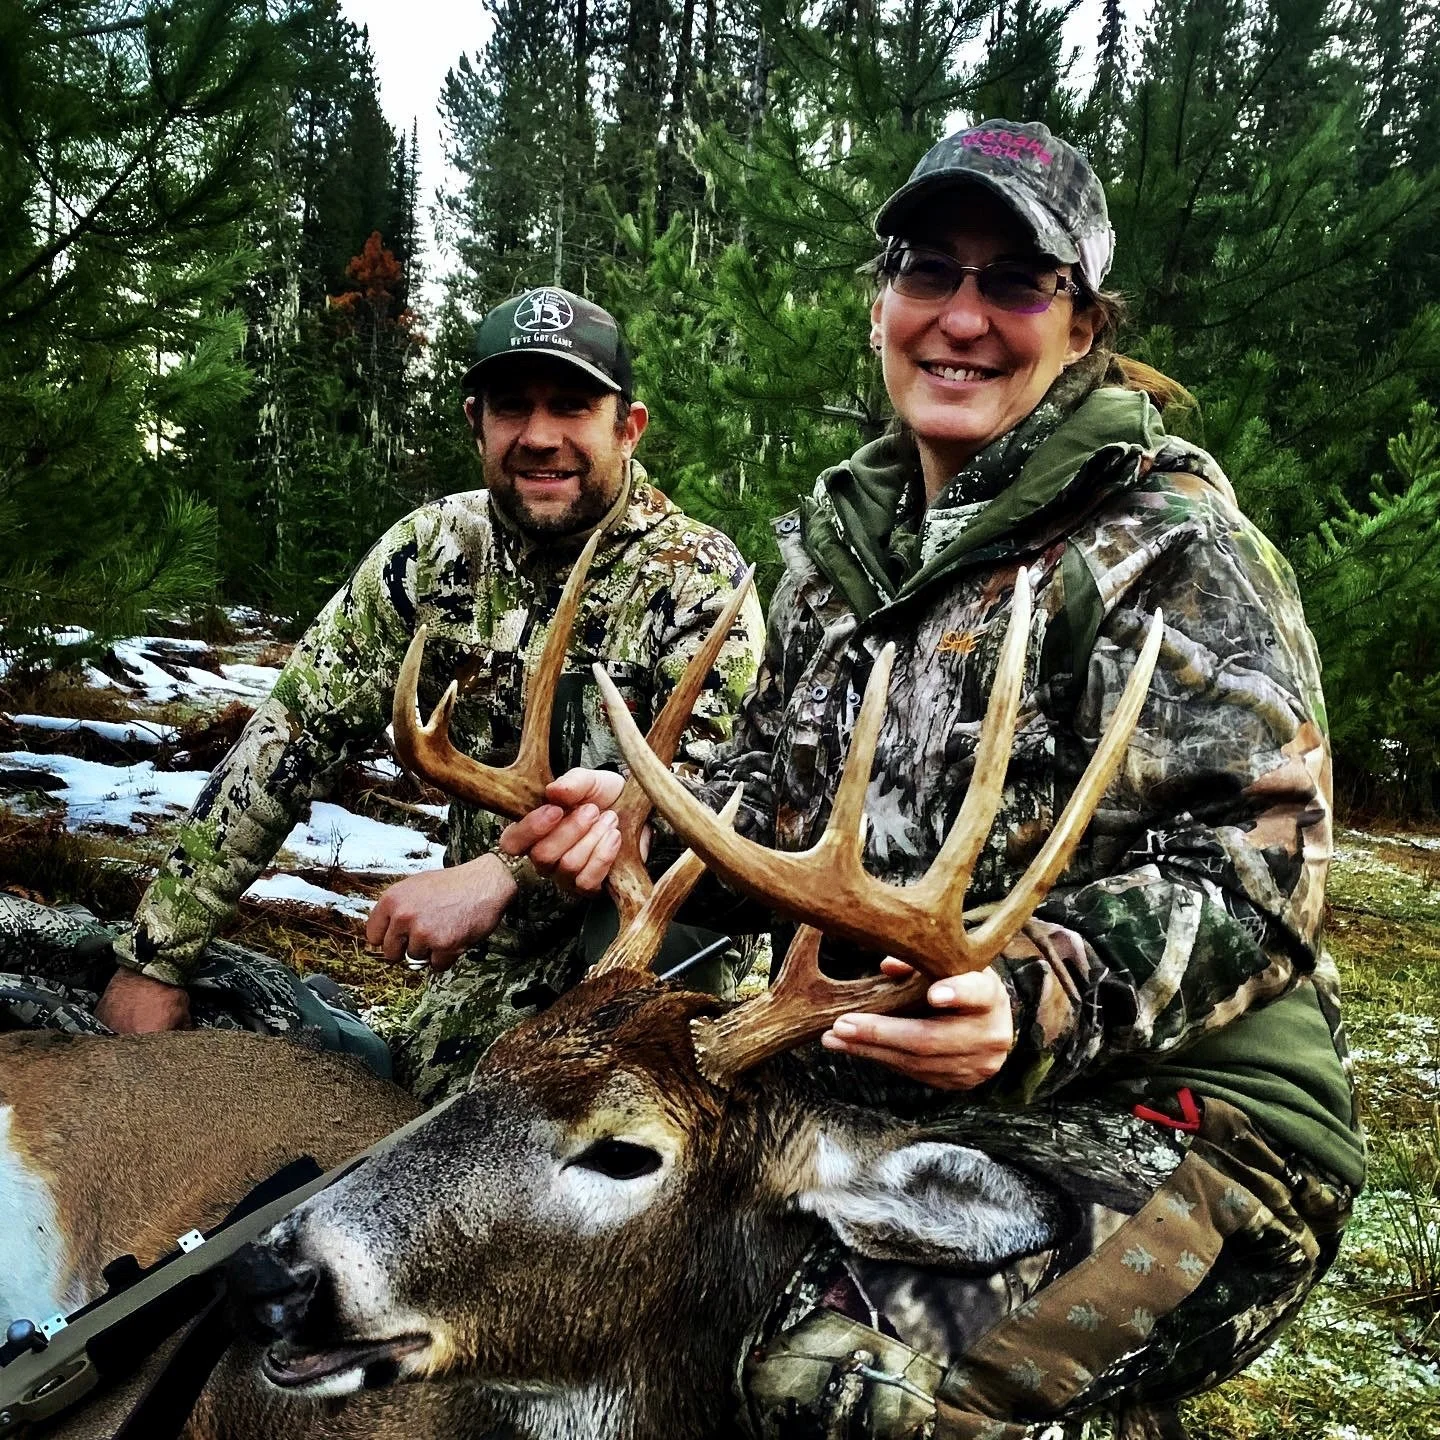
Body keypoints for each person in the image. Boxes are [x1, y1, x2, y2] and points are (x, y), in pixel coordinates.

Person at [503, 124, 1364, 1436]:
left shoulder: (1175, 553)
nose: (962, 316)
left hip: (1202, 1132)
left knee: (848, 1387)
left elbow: (1259, 872)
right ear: (881, 304)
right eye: (927, 272)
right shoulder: (834, 553)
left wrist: (1038, 997)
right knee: (588, 1229)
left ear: (1081, 328)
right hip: (884, 1076)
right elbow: (775, 796)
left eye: (1016, 282)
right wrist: (644, 824)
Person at [100, 286, 762, 1104]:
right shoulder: (431, 557)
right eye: (512, 408)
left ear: (628, 427)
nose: (540, 437)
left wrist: (501, 875)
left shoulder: (699, 582)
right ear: (475, 422)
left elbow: (718, 813)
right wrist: (159, 956)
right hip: (482, 970)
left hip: (653, 957)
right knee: (389, 1103)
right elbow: (286, 741)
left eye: (572, 406)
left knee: (569, 1104)